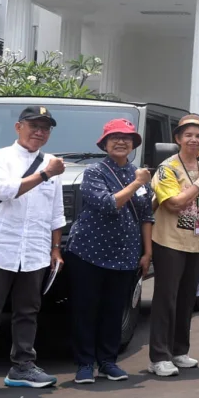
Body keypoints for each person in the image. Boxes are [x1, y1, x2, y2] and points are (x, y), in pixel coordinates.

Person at [0, 105, 66, 396]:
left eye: (45, 128)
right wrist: (46, 174)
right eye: (34, 125)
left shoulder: (52, 163)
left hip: (34, 248)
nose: (39, 132)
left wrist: (56, 248)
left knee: (28, 310)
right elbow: (6, 191)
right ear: (18, 127)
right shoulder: (0, 157)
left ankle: (22, 366)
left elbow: (56, 212)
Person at [66, 118, 154, 383]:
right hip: (88, 253)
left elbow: (147, 216)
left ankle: (107, 361)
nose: (120, 142)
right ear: (104, 144)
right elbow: (107, 204)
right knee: (85, 309)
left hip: (125, 254)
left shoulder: (140, 174)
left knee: (115, 310)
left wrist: (147, 252)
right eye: (114, 137)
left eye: (126, 138)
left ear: (133, 145)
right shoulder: (94, 172)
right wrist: (137, 184)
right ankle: (84, 364)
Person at [148, 113, 199, 377]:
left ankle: (179, 351)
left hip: (197, 244)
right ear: (177, 138)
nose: (194, 139)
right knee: (166, 298)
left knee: (188, 298)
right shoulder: (168, 168)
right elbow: (173, 203)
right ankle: (158, 356)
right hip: (169, 241)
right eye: (188, 135)